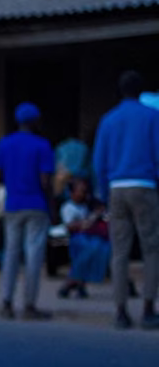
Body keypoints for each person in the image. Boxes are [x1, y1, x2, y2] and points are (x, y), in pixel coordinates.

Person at [92, 70, 159, 330]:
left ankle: (120, 310)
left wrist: (101, 194)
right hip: (144, 185)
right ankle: (148, 307)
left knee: (119, 251)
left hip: (116, 187)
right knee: (151, 248)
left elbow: (99, 161)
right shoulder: (152, 117)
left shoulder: (108, 120)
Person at [0, 103, 54, 320]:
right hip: (36, 204)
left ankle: (6, 302)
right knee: (33, 256)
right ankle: (29, 305)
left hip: (13, 204)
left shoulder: (4, 144)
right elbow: (45, 181)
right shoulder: (43, 145)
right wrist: (51, 206)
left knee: (10, 254)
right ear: (35, 121)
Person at [57, 178, 110, 299]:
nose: (83, 194)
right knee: (89, 247)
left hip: (90, 235)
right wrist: (87, 222)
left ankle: (76, 280)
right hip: (77, 238)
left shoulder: (88, 206)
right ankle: (75, 279)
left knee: (101, 246)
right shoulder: (68, 207)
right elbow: (70, 226)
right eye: (80, 191)